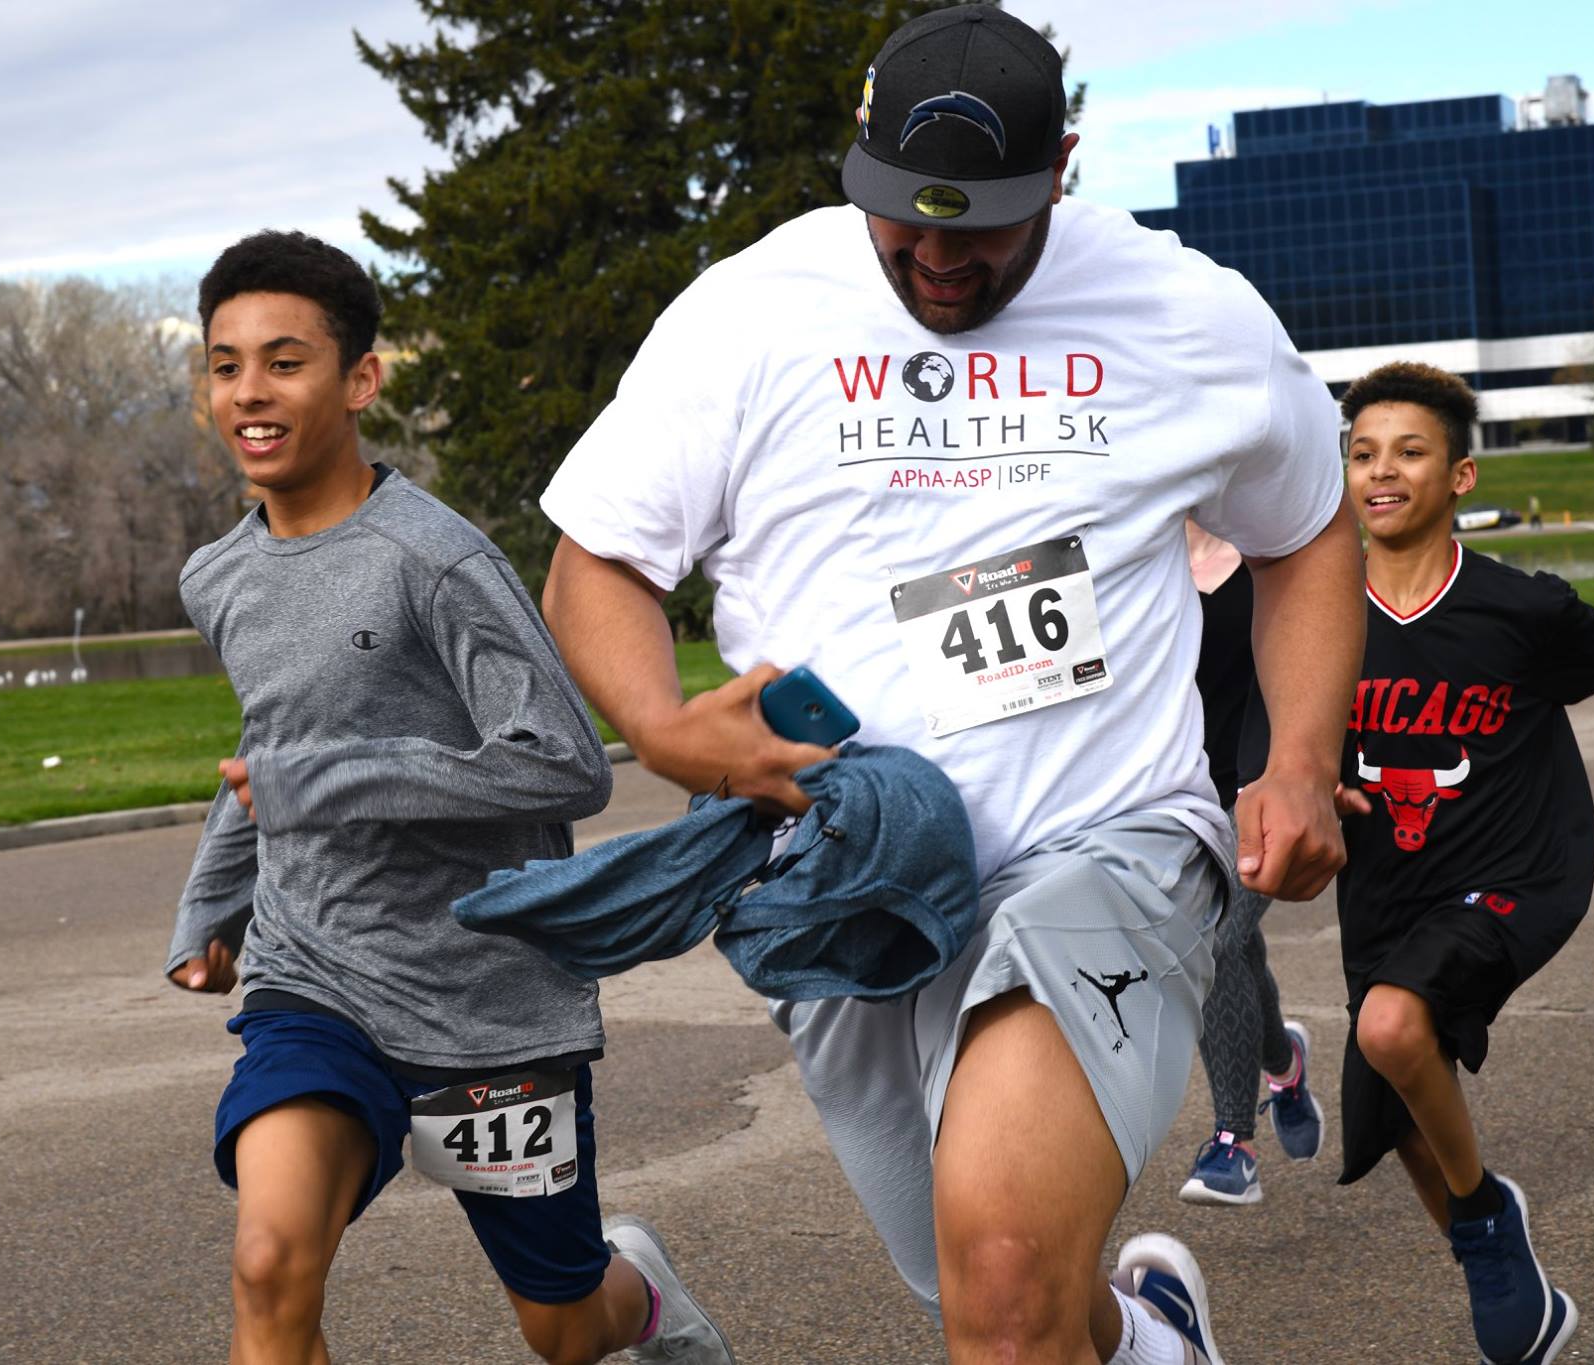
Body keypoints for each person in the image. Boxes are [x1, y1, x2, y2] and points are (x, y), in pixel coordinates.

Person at [537, 9, 1364, 1364]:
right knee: (992, 1292)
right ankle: (1154, 1341)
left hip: (1104, 844)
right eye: (900, 219)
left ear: (1064, 170)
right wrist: (665, 725)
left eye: (976, 226)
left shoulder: (1184, 314)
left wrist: (1298, 759)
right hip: (849, 882)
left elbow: (1308, 525)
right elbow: (599, 562)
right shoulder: (755, 312)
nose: (931, 257)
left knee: (1001, 1265)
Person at [164, 229, 734, 1365]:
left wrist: (335, 778)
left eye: (284, 360)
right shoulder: (217, 575)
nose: (249, 393)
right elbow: (270, 749)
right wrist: (208, 912)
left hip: (485, 999)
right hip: (312, 977)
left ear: (359, 380)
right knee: (269, 1267)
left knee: (565, 1329)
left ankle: (649, 1303)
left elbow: (565, 759)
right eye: (225, 366)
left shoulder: (434, 561)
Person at [1335, 361, 1594, 1364]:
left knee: (1390, 1022)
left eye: (1409, 452)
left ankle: (1487, 1221)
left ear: (1458, 476)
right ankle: (1508, 1279)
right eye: (1362, 453)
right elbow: (1255, 727)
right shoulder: (1316, 623)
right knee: (1400, 1106)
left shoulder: (1522, 611)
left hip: (1509, 876)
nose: (1381, 471)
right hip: (1381, 895)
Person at [1176, 522, 1326, 1206]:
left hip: (1262, 789)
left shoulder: (1272, 554)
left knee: (1217, 938)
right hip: (1176, 799)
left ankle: (1232, 1142)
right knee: (1237, 945)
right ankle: (1283, 1061)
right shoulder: (1134, 566)